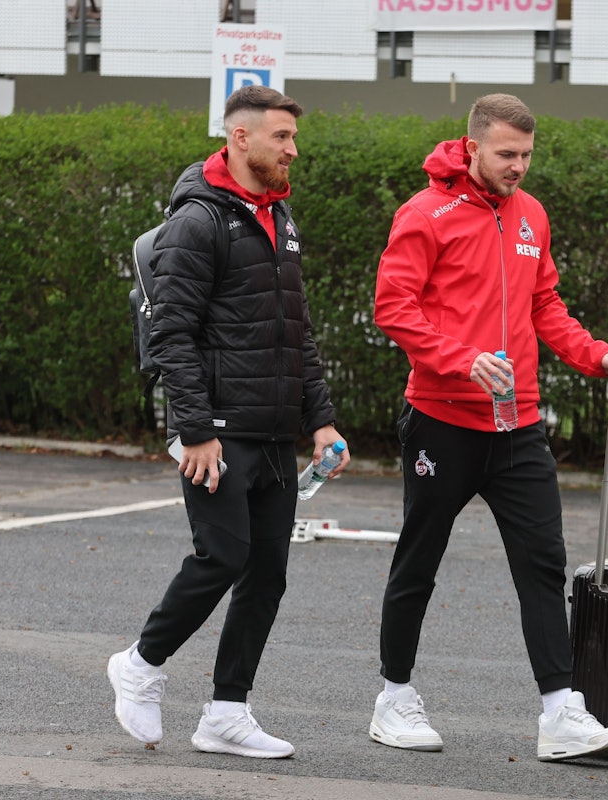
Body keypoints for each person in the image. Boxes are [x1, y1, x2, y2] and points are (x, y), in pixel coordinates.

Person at [371, 93, 608, 761]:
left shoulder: (530, 216)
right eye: (505, 154)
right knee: (419, 562)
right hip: (442, 419)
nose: (518, 166)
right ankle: (393, 698)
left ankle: (559, 714)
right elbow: (392, 307)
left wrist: (596, 355)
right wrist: (459, 360)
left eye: (526, 154)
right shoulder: (425, 214)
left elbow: (544, 304)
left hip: (518, 424)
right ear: (471, 148)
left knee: (541, 562)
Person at [107, 85, 349, 759]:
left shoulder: (279, 216)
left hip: (272, 429)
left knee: (266, 570)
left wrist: (321, 421)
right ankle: (140, 665)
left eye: (293, 139)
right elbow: (173, 335)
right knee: (223, 555)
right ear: (240, 138)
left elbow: (294, 331)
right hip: (216, 427)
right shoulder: (198, 221)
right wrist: (194, 429)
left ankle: (226, 712)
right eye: (282, 138)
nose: (292, 150)